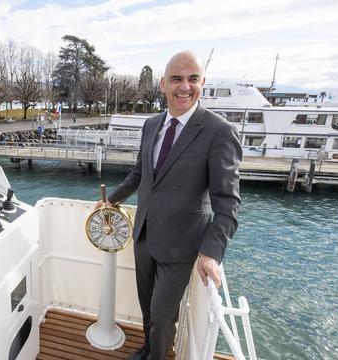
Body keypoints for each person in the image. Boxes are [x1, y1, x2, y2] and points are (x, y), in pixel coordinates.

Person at [95, 51, 241, 360]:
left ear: (203, 83)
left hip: (181, 246)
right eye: (177, 79)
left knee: (163, 317)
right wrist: (112, 199)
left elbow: (227, 203)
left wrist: (211, 253)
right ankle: (149, 350)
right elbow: (139, 173)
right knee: (148, 308)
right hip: (144, 236)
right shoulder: (151, 125)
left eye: (192, 79)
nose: (184, 86)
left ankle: (158, 355)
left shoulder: (219, 132)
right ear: (163, 84)